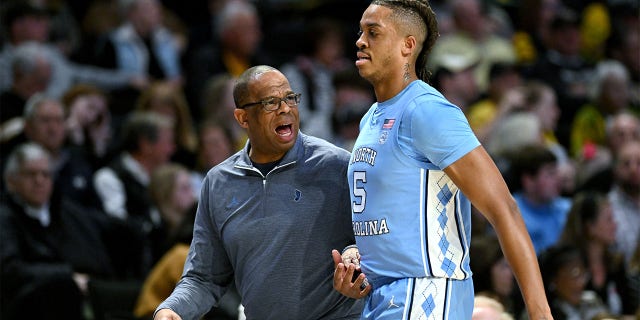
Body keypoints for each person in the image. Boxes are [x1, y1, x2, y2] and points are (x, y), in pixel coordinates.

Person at [330, 1, 552, 319]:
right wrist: (357, 260)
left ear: (408, 46)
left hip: (427, 293)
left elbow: (505, 210)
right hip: (382, 298)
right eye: (361, 32)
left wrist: (540, 312)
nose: (360, 41)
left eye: (373, 32)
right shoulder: (371, 119)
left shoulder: (427, 111)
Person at [154, 65, 363, 319]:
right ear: (243, 118)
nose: (285, 109)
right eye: (270, 103)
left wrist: (356, 263)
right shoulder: (219, 182)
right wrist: (172, 308)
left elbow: (371, 243)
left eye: (290, 98)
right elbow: (204, 277)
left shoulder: (337, 165)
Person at [0, 143, 116, 320]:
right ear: (11, 180)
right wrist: (66, 276)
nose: (39, 181)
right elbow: (10, 270)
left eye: (45, 174)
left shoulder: (66, 210)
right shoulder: (5, 218)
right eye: (31, 174)